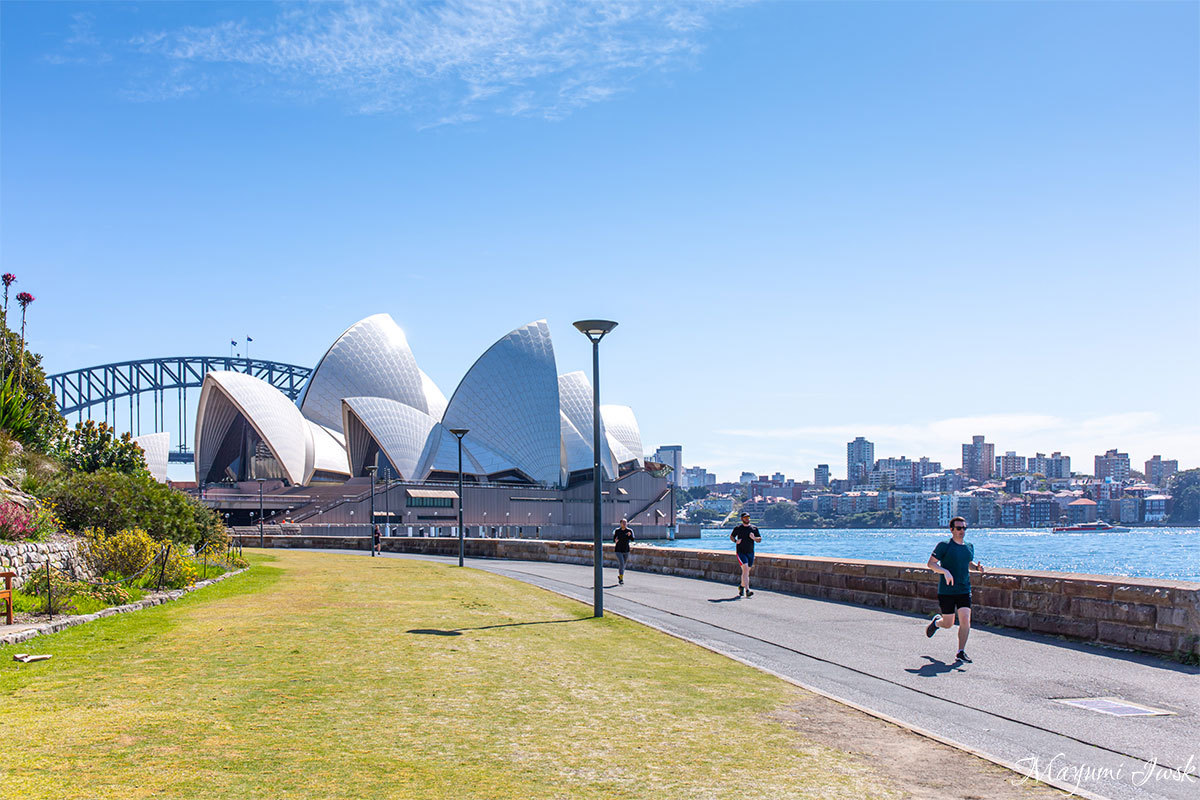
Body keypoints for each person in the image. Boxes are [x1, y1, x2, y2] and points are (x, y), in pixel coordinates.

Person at [925, 516, 985, 663]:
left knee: (965, 619)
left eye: (964, 528)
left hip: (964, 589)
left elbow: (967, 563)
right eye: (959, 528)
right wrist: (945, 571)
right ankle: (937, 622)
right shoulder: (944, 546)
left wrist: (976, 568)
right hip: (947, 591)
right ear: (951, 529)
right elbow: (931, 564)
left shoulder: (969, 546)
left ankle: (960, 652)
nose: (962, 531)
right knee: (948, 623)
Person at [730, 512, 761, 597]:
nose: (747, 519)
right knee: (746, 569)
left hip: (750, 552)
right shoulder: (738, 528)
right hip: (741, 552)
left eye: (748, 517)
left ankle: (741, 586)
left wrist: (754, 538)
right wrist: (736, 541)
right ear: (742, 519)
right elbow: (732, 536)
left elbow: (759, 539)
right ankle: (747, 590)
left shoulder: (754, 528)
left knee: (746, 572)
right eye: (745, 517)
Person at [613, 518, 635, 585]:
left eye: (626, 523)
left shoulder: (629, 530)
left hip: (626, 550)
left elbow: (633, 539)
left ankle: (620, 576)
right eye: (623, 523)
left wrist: (630, 535)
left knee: (623, 564)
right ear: (620, 524)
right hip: (618, 550)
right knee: (622, 563)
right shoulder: (617, 531)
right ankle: (621, 579)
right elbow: (614, 539)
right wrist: (615, 541)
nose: (625, 524)